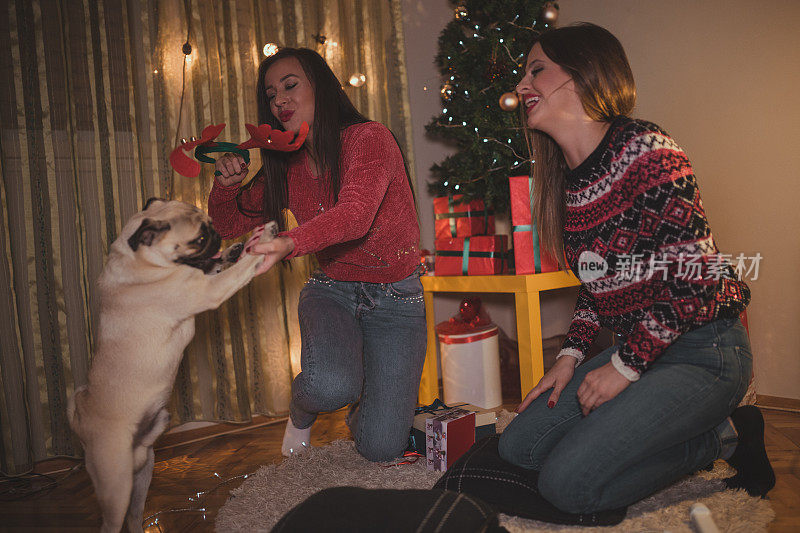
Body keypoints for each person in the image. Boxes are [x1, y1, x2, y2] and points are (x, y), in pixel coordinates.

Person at [497, 23, 775, 514]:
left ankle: (727, 435)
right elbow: (597, 283)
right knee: (518, 447)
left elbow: (695, 276)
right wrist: (571, 358)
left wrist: (624, 368)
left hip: (704, 352)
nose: (521, 87)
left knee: (568, 486)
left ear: (583, 74)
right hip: (643, 350)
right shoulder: (568, 183)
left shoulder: (646, 148)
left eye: (536, 69)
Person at [207, 48, 426, 462]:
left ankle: (365, 389)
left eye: (290, 86)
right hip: (333, 292)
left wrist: (291, 242)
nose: (279, 101)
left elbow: (356, 214)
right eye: (271, 94)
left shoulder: (369, 138)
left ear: (321, 87)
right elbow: (227, 225)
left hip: (399, 300)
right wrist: (225, 186)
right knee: (328, 386)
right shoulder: (285, 164)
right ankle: (303, 409)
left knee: (382, 448)